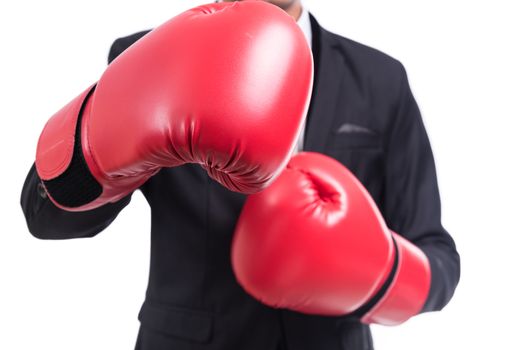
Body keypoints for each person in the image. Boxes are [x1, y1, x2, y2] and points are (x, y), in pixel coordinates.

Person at [20, 1, 460, 349]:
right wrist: (99, 148)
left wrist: (379, 275)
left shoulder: (380, 78)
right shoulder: (148, 54)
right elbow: (45, 217)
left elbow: (438, 256)